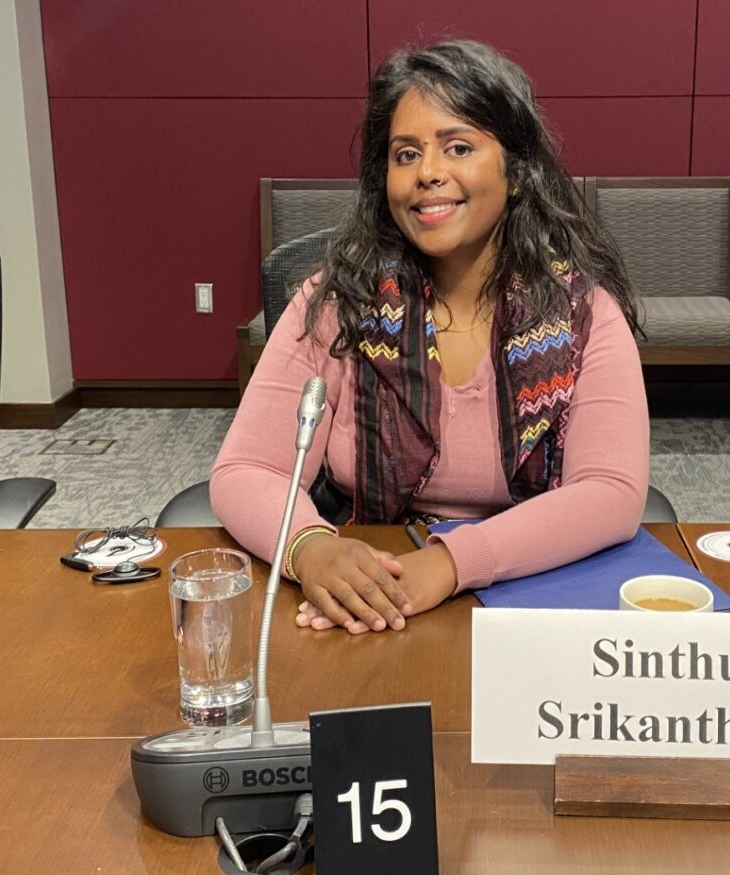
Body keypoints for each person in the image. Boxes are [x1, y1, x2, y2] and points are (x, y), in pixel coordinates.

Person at [211, 39, 649, 636]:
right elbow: (244, 470)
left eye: (459, 147)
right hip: (366, 594)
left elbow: (610, 492)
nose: (428, 174)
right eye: (406, 154)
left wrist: (449, 563)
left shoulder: (583, 313)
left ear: (516, 173)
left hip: (531, 588)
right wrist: (310, 548)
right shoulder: (339, 302)